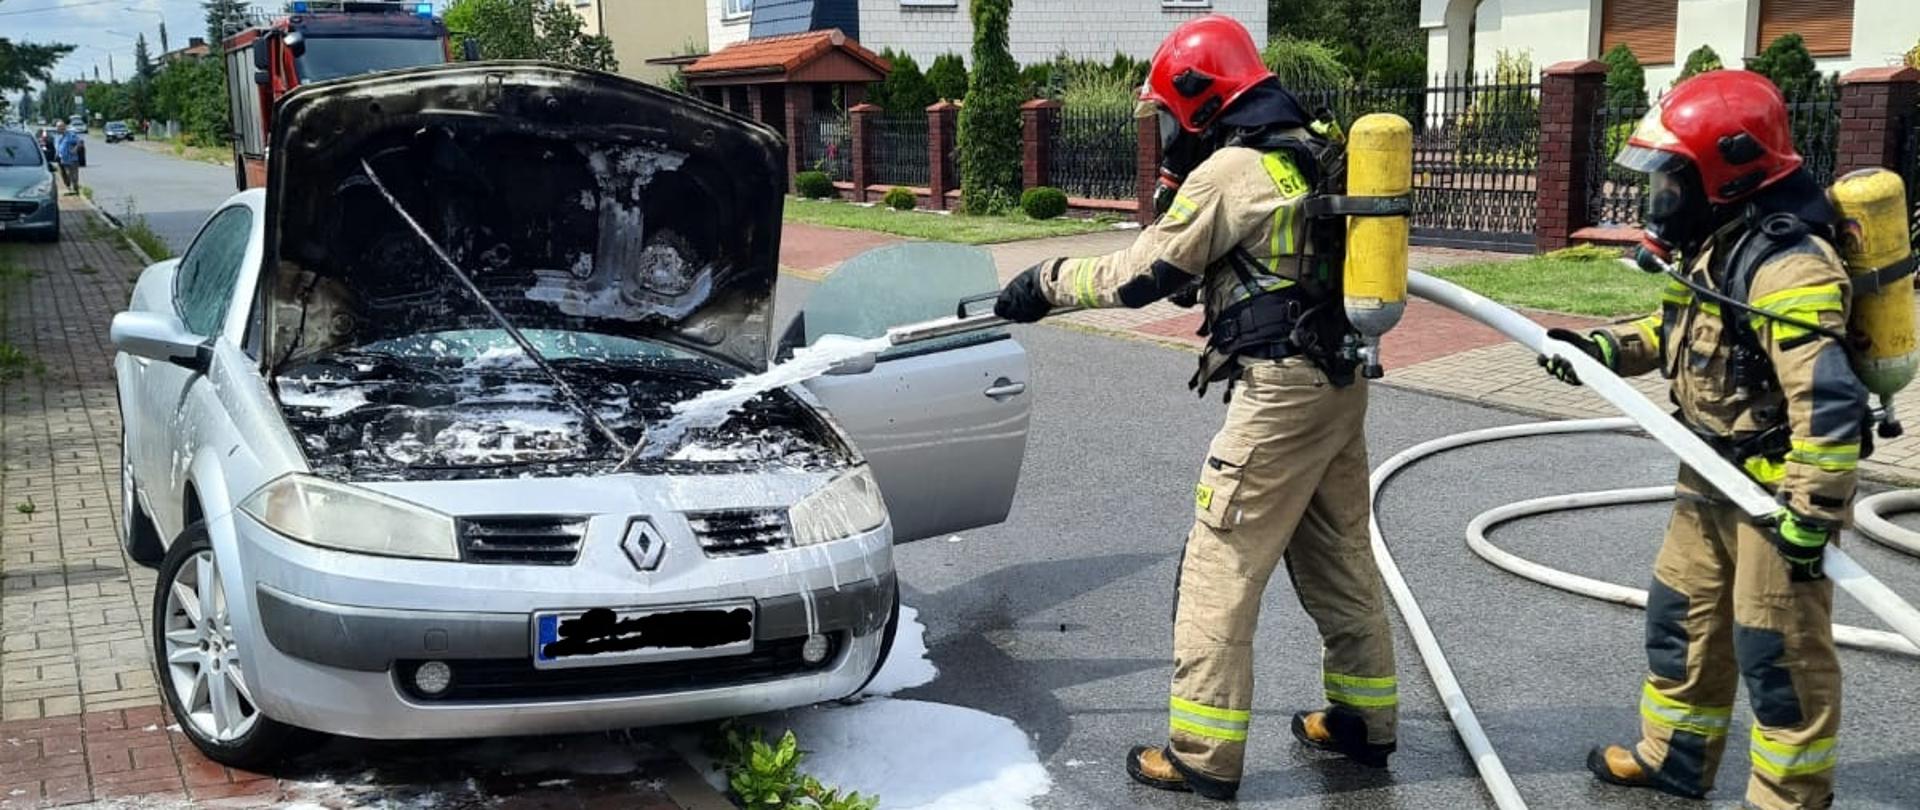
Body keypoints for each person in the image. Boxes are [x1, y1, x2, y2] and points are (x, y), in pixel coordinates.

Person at [994, 14, 1397, 800]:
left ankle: (1201, 755)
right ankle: (1363, 722)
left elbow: (1144, 277)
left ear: (1201, 103)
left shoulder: (1232, 173)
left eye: (1172, 116)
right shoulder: (1310, 155)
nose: (1170, 131)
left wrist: (1044, 283)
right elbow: (1202, 272)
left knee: (1219, 564)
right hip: (1337, 385)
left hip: (1279, 395)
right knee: (1338, 557)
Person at [1540, 69, 1861, 810]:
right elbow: (1681, 331)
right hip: (1707, 476)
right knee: (1680, 621)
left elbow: (1831, 401)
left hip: (1776, 499)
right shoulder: (1721, 245)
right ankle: (1673, 759)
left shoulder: (1790, 267)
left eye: (1672, 179)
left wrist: (1810, 514)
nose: (1661, 197)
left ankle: (1789, 799)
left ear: (1727, 175)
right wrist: (1605, 351)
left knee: (1777, 657)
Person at [54, 122, 83, 195]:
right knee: (64, 176)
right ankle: (69, 188)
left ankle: (75, 190)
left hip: (72, 159)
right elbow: (58, 146)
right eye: (57, 127)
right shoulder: (57, 137)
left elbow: (80, 141)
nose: (58, 129)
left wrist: (75, 149)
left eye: (60, 127)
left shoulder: (70, 135)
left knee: (72, 175)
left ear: (64, 127)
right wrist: (57, 153)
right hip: (61, 159)